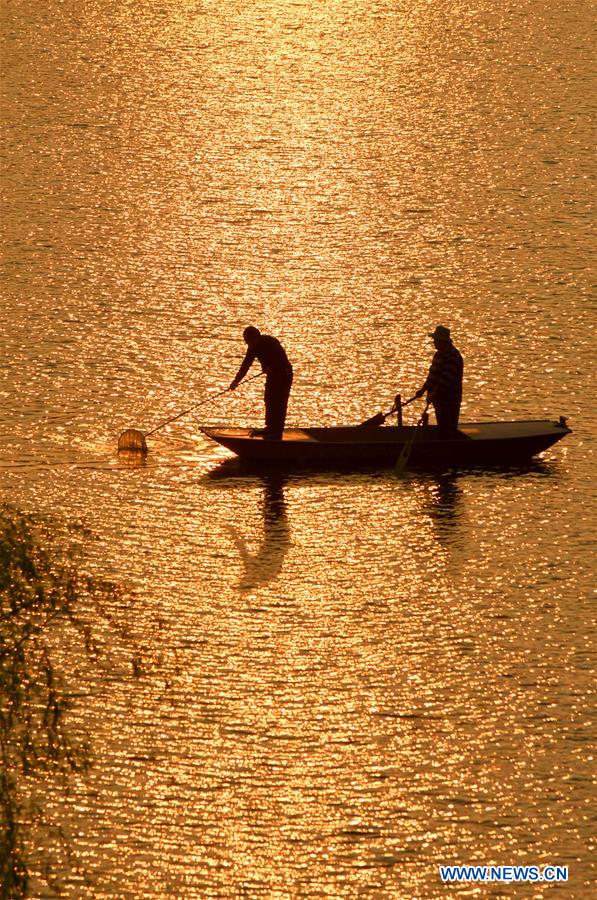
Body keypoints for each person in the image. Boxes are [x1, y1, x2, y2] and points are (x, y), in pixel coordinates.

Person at [229, 326, 293, 439]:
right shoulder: (252, 348)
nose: (248, 344)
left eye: (249, 341)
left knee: (279, 401)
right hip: (272, 374)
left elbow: (281, 360)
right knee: (268, 399)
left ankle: (277, 431)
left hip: (284, 374)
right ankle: (270, 427)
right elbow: (245, 365)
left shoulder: (271, 343)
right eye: (247, 342)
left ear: (256, 338)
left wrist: (270, 367)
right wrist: (236, 381)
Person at [415, 325, 463, 432]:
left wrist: (434, 394)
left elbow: (445, 381)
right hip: (439, 399)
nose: (434, 342)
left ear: (443, 341)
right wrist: (423, 389)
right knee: (442, 426)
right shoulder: (438, 355)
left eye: (436, 340)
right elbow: (432, 376)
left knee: (448, 428)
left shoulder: (453, 357)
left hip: (450, 400)